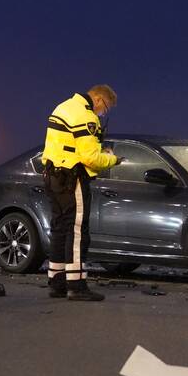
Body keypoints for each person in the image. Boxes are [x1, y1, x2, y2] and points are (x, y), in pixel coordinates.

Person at [42, 85, 120, 301]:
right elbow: (90, 158)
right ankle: (76, 286)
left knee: (59, 228)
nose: (102, 113)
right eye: (104, 108)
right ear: (97, 98)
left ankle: (56, 282)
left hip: (53, 176)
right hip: (72, 178)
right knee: (77, 232)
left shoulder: (63, 106)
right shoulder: (86, 116)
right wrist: (113, 159)